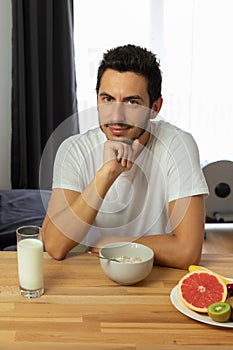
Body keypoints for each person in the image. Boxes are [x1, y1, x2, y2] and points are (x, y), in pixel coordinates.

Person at [42, 44, 209, 269]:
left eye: (132, 102)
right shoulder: (74, 149)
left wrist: (109, 244)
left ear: (155, 107)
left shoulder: (177, 144)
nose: (116, 117)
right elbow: (54, 245)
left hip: (156, 278)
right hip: (91, 276)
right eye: (108, 99)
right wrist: (106, 174)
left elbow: (187, 252)